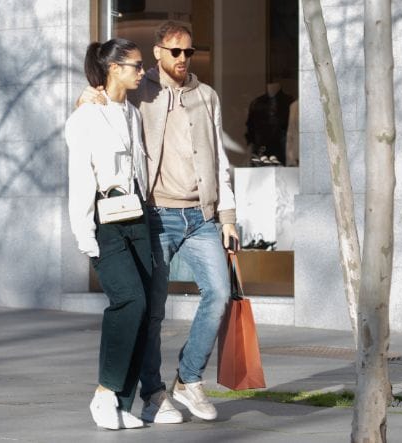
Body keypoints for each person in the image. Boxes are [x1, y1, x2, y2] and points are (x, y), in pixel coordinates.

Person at [78, 21, 239, 423]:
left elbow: (220, 158)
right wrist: (88, 96)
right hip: (155, 214)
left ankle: (189, 378)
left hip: (201, 216)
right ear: (157, 53)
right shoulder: (139, 91)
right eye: (175, 52)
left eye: (189, 52)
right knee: (152, 310)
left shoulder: (207, 96)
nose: (183, 59)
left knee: (218, 294)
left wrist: (229, 216)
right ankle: (153, 393)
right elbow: (105, 108)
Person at [65, 38, 151, 430]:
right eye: (135, 65)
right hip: (106, 221)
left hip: (138, 216)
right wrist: (85, 235)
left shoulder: (131, 113)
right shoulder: (86, 117)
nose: (141, 71)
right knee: (128, 301)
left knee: (145, 308)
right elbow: (80, 178)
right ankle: (104, 393)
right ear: (113, 67)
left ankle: (122, 402)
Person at [245, 82, 294, 165]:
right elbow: (250, 128)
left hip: (282, 149)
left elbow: (291, 129)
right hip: (260, 149)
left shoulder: (289, 102)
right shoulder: (257, 103)